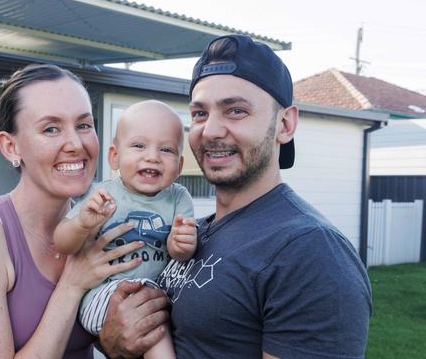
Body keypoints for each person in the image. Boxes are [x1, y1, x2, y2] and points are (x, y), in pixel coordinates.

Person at [99, 34, 373, 358]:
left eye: (236, 111)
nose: (211, 130)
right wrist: (113, 340)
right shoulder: (191, 232)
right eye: (200, 113)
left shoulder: (311, 252)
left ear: (285, 124)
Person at [0, 64, 145, 359]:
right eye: (51, 129)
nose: (76, 144)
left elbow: (114, 342)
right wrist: (72, 285)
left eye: (84, 125)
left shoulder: (100, 223)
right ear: (11, 146)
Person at [53, 100, 197, 358]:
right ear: (114, 156)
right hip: (103, 298)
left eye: (166, 149)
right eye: (139, 145)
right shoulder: (104, 194)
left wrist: (181, 245)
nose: (152, 156)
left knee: (164, 310)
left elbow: (182, 255)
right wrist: (82, 225)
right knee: (151, 315)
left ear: (179, 163)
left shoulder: (178, 198)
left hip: (151, 295)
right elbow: (62, 243)